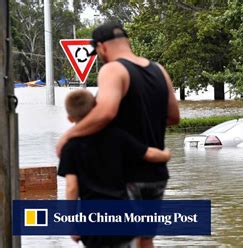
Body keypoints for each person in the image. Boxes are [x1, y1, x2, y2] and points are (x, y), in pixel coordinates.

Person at [56, 22, 180, 248]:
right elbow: (174, 116)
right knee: (145, 239)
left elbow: (106, 112)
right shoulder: (158, 69)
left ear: (102, 47)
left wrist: (68, 137)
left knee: (125, 241)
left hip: (127, 175)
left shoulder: (113, 69)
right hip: (156, 175)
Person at [58, 89, 172, 248]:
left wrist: (72, 224)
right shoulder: (117, 136)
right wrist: (166, 154)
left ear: (70, 118)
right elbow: (148, 154)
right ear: (96, 109)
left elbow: (72, 188)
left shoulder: (70, 148)